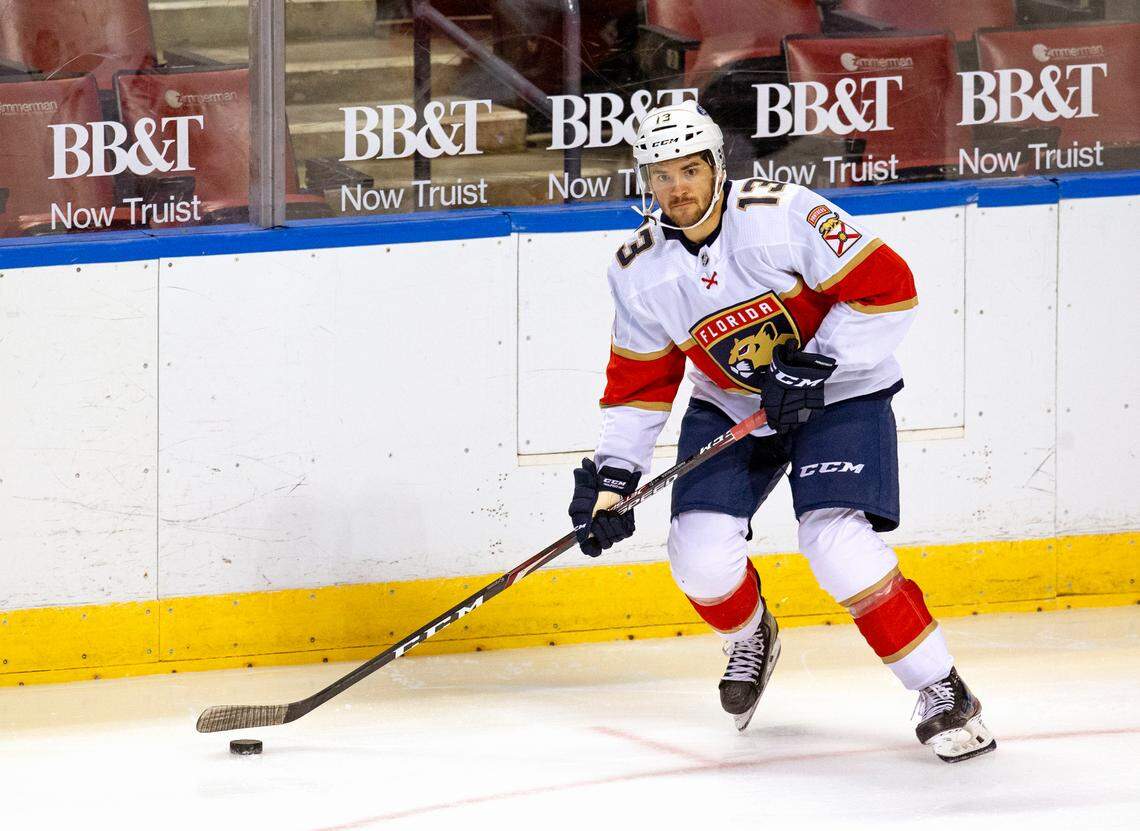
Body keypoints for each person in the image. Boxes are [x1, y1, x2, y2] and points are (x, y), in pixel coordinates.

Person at [567, 100, 996, 763]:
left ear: (716, 165)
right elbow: (639, 383)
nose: (677, 187)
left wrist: (817, 364)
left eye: (689, 169)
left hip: (840, 392)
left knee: (834, 541)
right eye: (660, 174)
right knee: (698, 552)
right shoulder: (637, 268)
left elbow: (891, 288)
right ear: (644, 181)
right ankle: (749, 633)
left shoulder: (781, 215)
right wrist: (612, 479)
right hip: (736, 406)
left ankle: (942, 688)